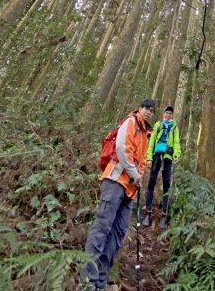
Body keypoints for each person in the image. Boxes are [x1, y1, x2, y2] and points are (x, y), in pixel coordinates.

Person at [81, 99, 155, 291]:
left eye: (151, 110)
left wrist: (137, 179)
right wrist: (135, 174)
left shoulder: (146, 135)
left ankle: (101, 281)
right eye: (146, 108)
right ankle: (88, 281)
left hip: (129, 190)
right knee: (102, 228)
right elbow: (122, 149)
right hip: (115, 180)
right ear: (140, 109)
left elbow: (143, 161)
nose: (148, 112)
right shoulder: (130, 123)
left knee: (117, 234)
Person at [142, 105, 181, 229]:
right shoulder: (158, 125)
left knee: (166, 184)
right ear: (163, 114)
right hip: (157, 156)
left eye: (170, 113)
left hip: (168, 157)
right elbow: (152, 141)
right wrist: (148, 157)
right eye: (166, 113)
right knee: (151, 181)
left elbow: (176, 142)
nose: (168, 115)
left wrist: (176, 154)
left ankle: (164, 215)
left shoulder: (174, 127)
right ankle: (147, 213)